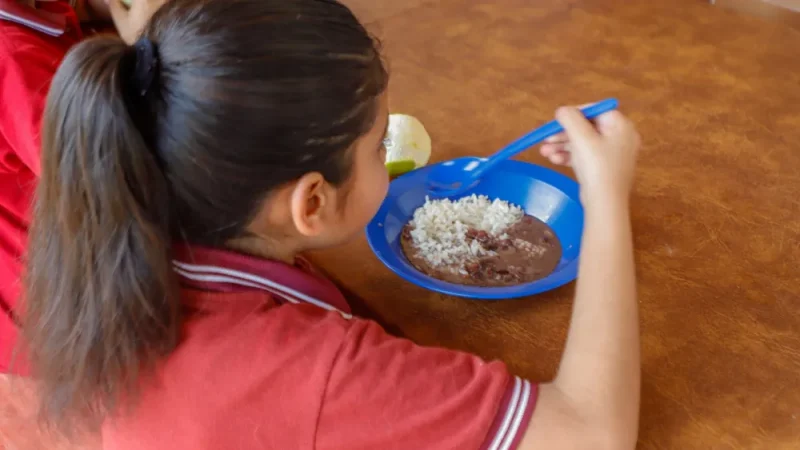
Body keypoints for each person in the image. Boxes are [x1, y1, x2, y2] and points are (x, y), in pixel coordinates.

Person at [22, 0, 642, 448]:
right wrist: (606, 198)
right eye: (377, 146)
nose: (386, 156)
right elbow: (593, 434)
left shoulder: (128, 227)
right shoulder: (316, 372)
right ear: (311, 204)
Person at [0, 0, 166, 374]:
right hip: (76, 316)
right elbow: (114, 180)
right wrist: (151, 43)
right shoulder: (12, 59)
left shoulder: (38, 14)